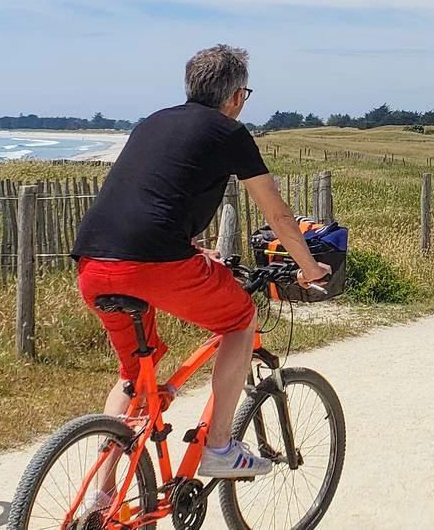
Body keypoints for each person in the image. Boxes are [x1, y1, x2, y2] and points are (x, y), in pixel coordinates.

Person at [70, 44, 329, 492]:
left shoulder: (152, 122)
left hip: (93, 262)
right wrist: (309, 268)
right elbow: (279, 216)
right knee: (240, 321)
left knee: (134, 377)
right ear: (235, 96)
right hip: (156, 263)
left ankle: (101, 494)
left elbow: (151, 194)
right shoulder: (229, 132)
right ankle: (220, 446)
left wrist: (191, 248)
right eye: (244, 94)